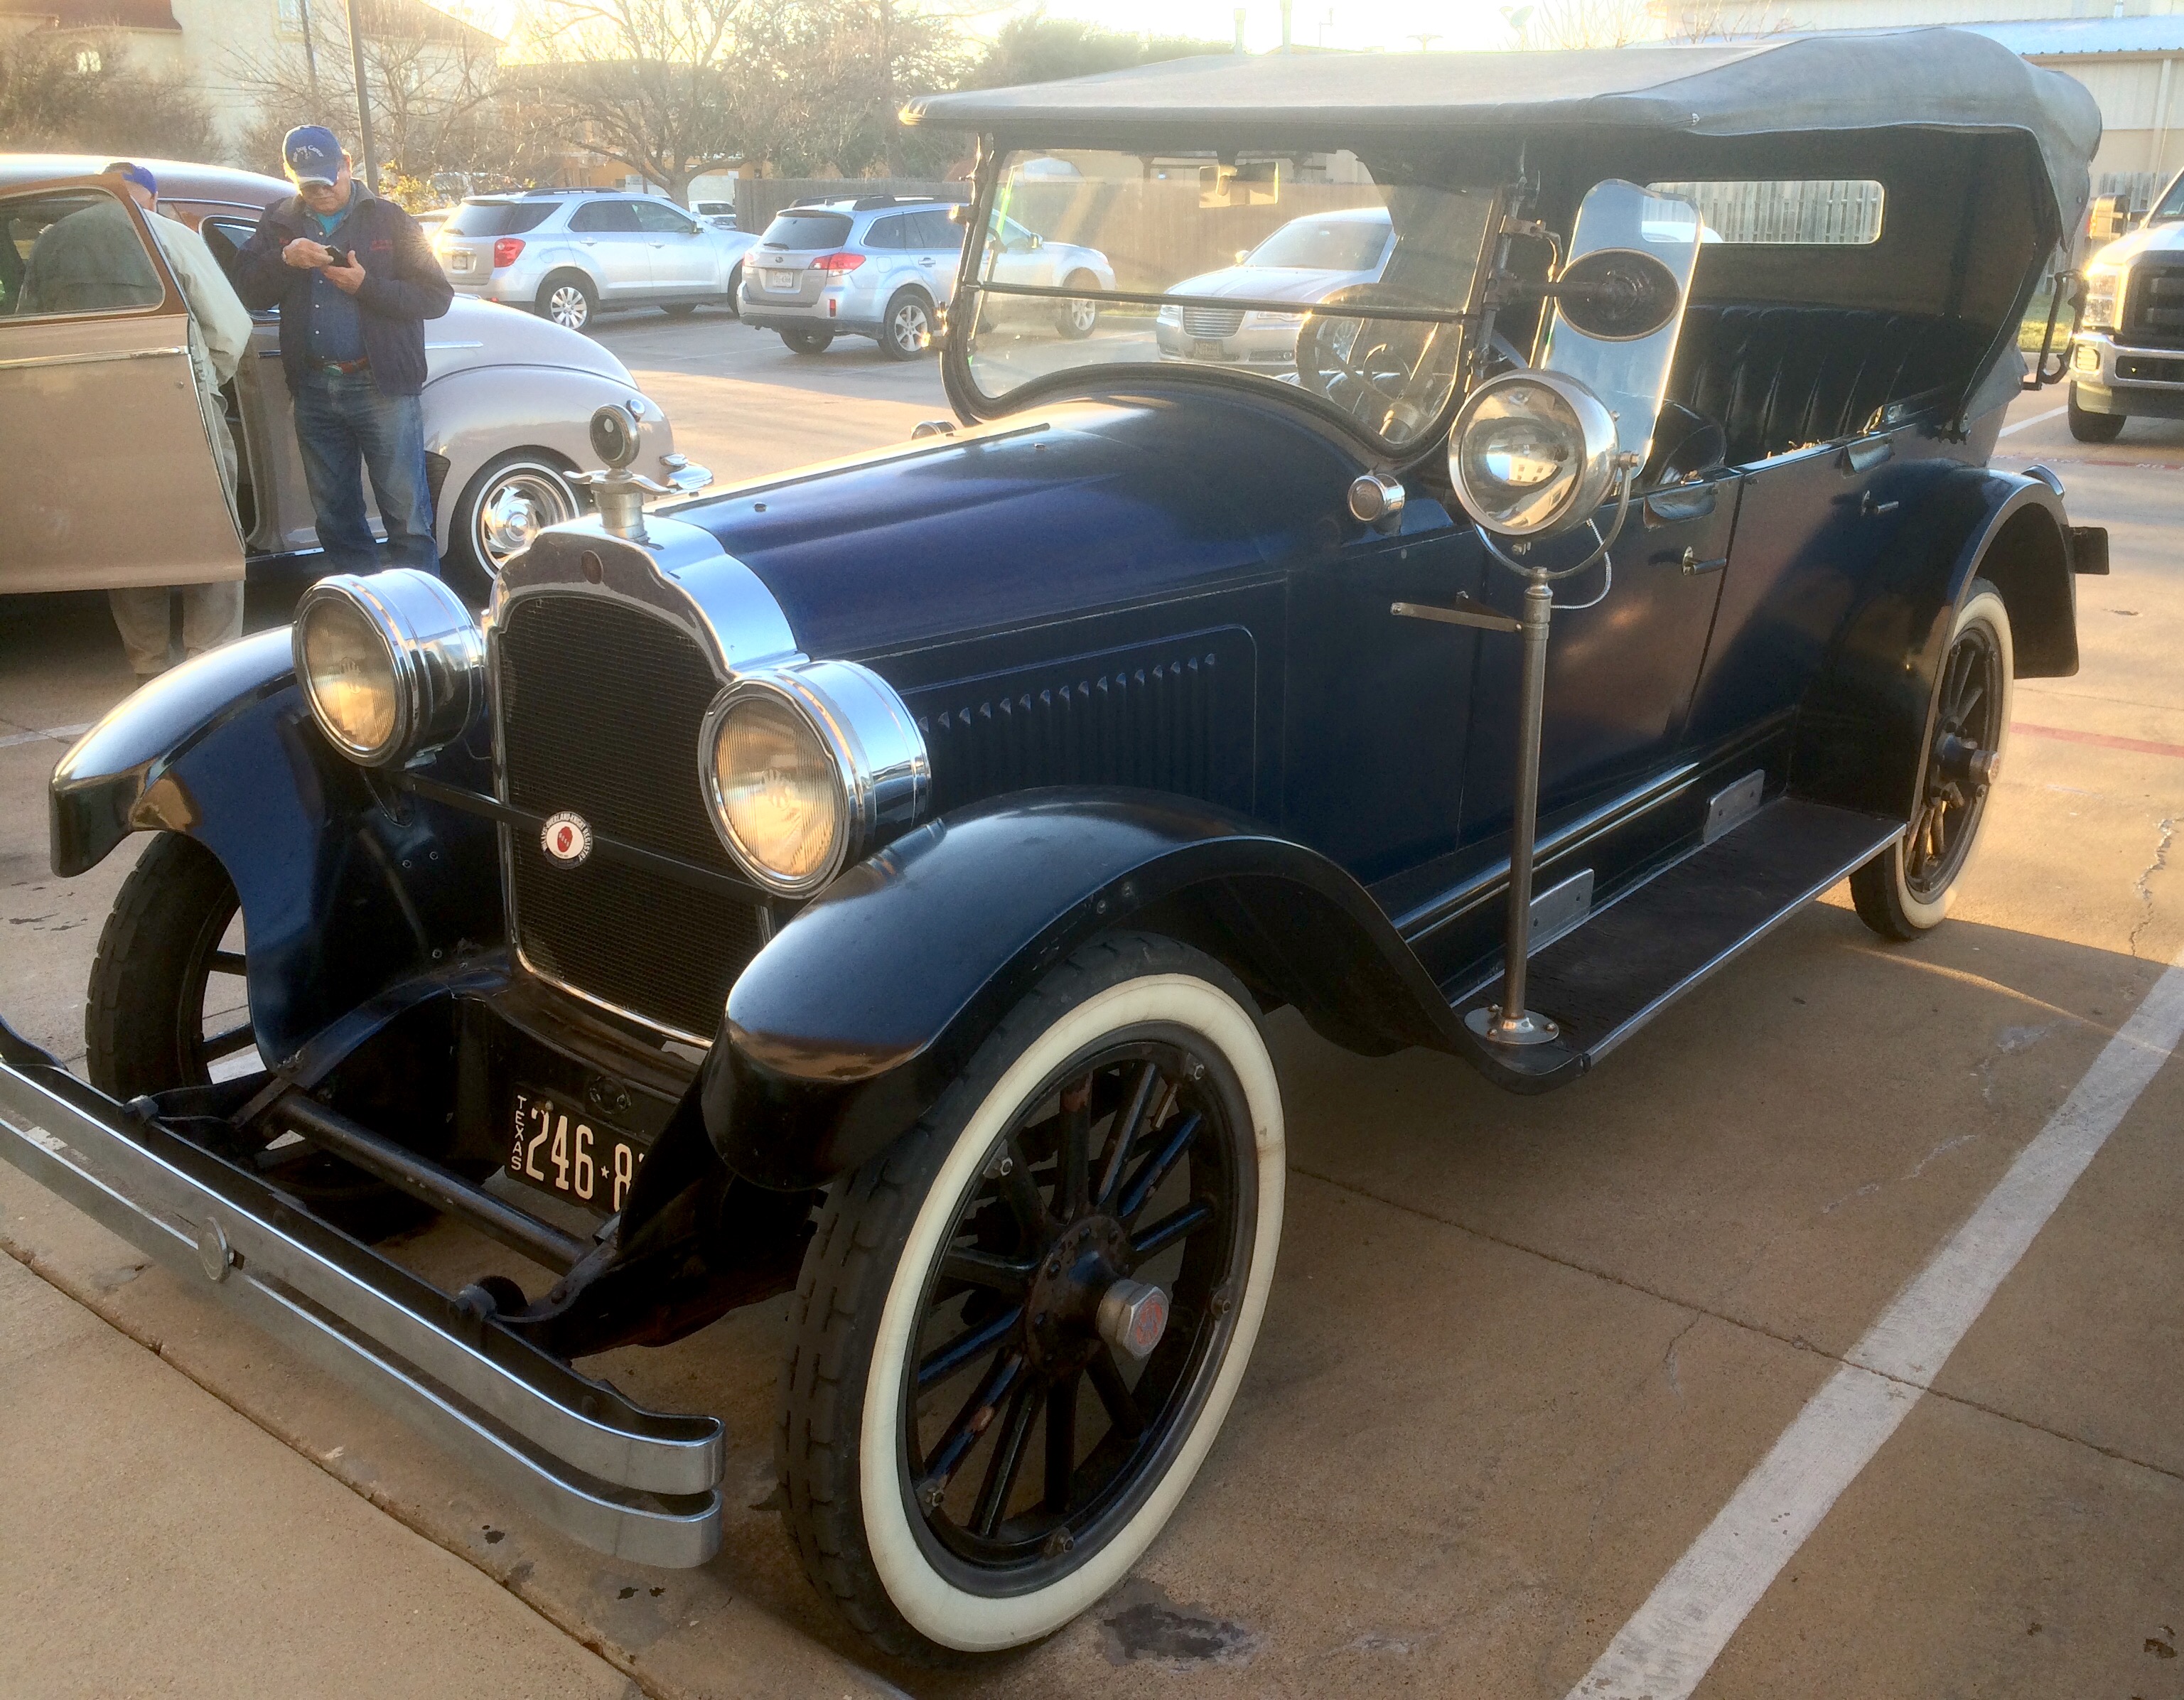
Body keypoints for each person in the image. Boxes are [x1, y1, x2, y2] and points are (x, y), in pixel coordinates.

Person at [233, 126, 452, 576]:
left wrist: (365, 286)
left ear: (347, 165)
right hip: (314, 387)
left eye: (327, 180)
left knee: (407, 516)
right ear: (291, 176)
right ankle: (361, 607)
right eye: (308, 184)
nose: (321, 192)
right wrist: (284, 260)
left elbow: (436, 297)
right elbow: (246, 290)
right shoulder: (279, 221)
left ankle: (420, 609)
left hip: (382, 387)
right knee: (335, 518)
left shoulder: (389, 219)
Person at [101, 162, 256, 680]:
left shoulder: (58, 243)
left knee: (129, 533)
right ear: (152, 197)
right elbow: (230, 328)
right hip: (180, 397)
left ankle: (148, 663)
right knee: (212, 526)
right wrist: (209, 379)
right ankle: (208, 662)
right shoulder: (167, 233)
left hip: (95, 408)